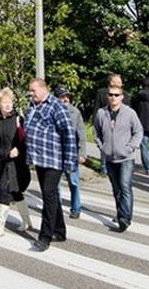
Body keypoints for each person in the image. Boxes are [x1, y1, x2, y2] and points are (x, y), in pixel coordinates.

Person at [24, 78, 78, 251]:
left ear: (43, 89)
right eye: (30, 91)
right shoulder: (33, 106)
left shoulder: (56, 106)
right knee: (52, 195)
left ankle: (45, 236)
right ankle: (60, 231)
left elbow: (68, 133)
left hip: (53, 159)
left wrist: (70, 161)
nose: (31, 94)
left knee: (48, 196)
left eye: (33, 91)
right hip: (39, 159)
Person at [0, 88, 33, 238]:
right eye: (5, 102)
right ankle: (27, 221)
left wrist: (18, 148)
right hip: (1, 162)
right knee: (15, 192)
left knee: (4, 191)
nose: (8, 105)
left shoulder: (18, 119)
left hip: (16, 163)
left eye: (10, 102)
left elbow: (24, 140)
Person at [93, 85, 143, 232]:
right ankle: (120, 213)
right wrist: (102, 146)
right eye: (111, 95)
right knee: (116, 189)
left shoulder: (129, 113)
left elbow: (138, 131)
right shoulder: (102, 113)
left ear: (121, 97)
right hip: (109, 157)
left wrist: (131, 146)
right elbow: (96, 131)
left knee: (125, 187)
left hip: (126, 158)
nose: (113, 97)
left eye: (116, 95)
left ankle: (125, 218)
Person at [54, 86, 87, 219]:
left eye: (66, 96)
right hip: (56, 153)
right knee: (55, 184)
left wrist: (82, 153)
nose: (65, 99)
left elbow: (82, 134)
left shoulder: (75, 112)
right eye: (62, 97)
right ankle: (57, 208)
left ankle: (76, 208)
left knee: (73, 182)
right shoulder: (53, 111)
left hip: (71, 153)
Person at [93, 74, 130, 176]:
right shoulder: (101, 93)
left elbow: (128, 112)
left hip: (120, 126)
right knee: (105, 146)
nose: (118, 83)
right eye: (116, 81)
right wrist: (95, 122)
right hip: (105, 123)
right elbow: (97, 108)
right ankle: (104, 168)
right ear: (110, 82)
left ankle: (120, 166)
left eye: (120, 82)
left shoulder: (125, 95)